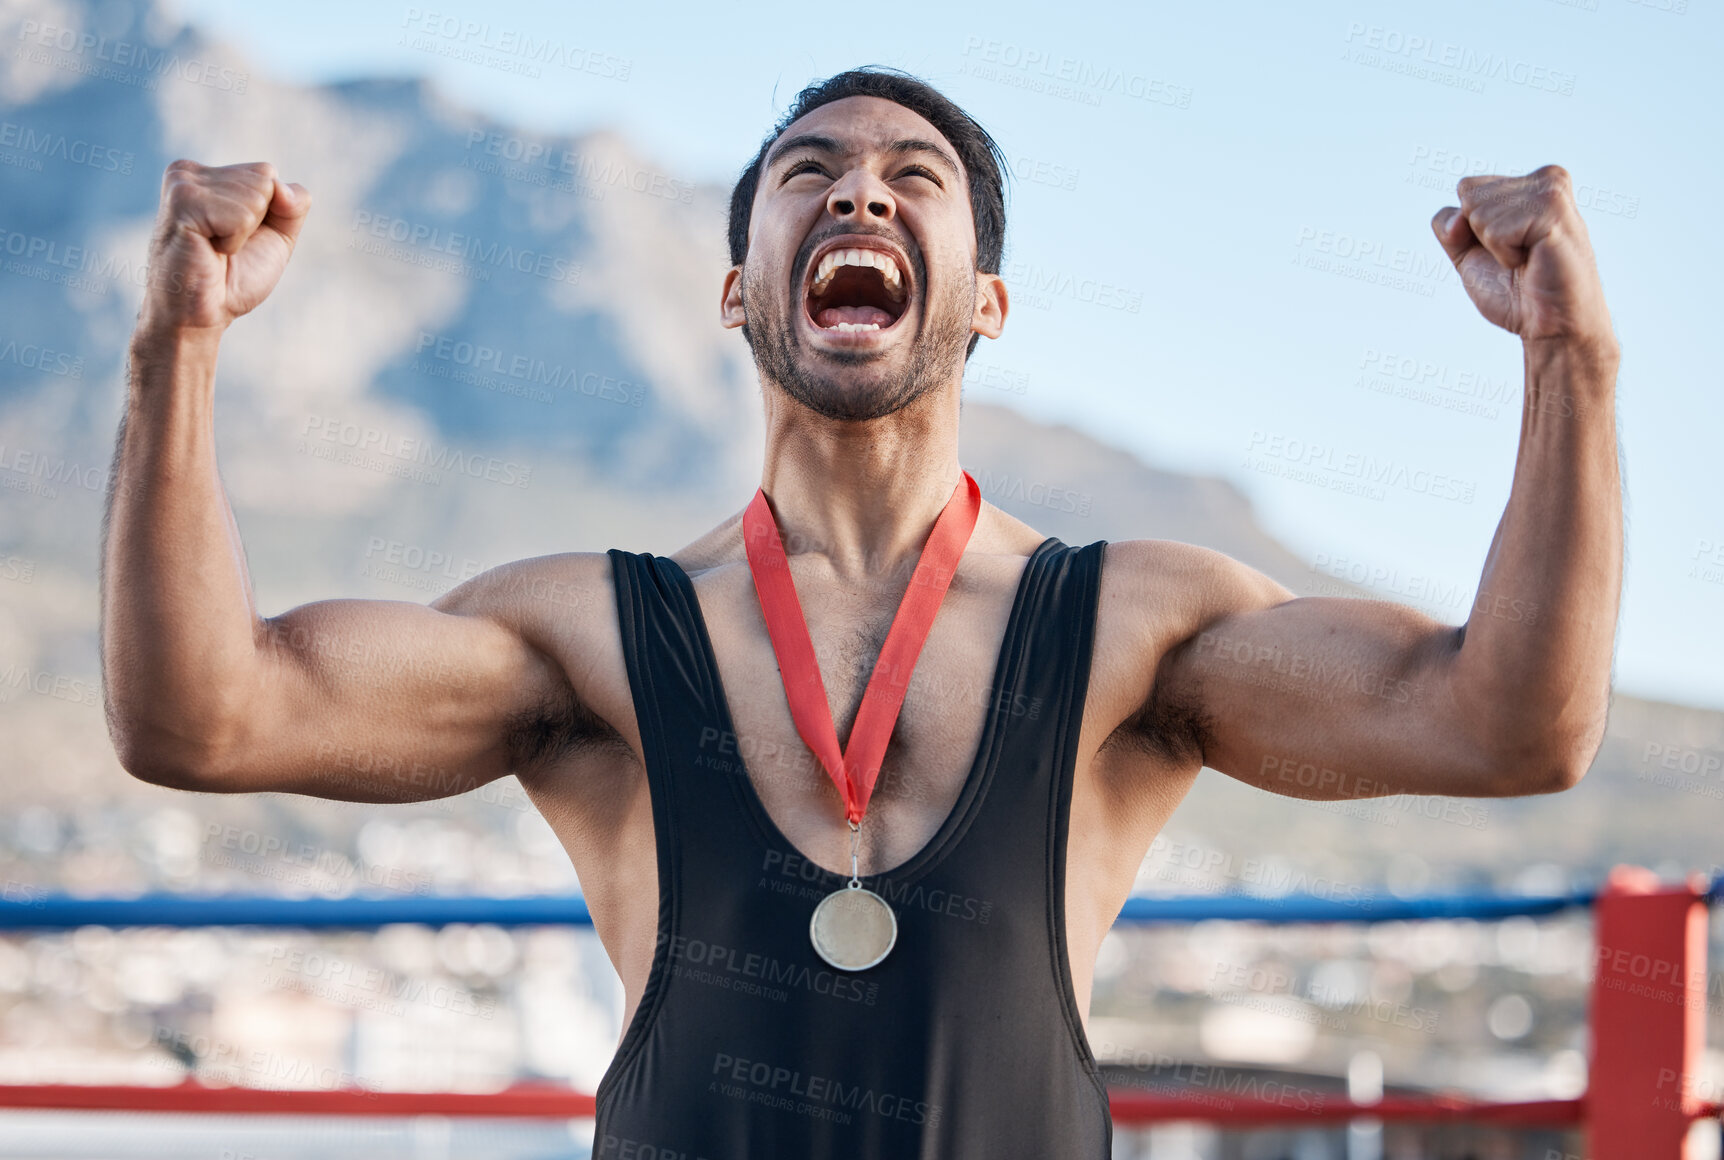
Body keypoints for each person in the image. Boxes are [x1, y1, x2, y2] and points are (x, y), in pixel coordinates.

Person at [101, 67, 1622, 1155]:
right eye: (808, 170)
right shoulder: (582, 636)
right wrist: (176, 344)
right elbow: (200, 718)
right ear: (735, 286)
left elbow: (1513, 728)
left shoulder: (1130, 626)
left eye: (918, 174)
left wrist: (1572, 364)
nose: (861, 186)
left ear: (981, 303)